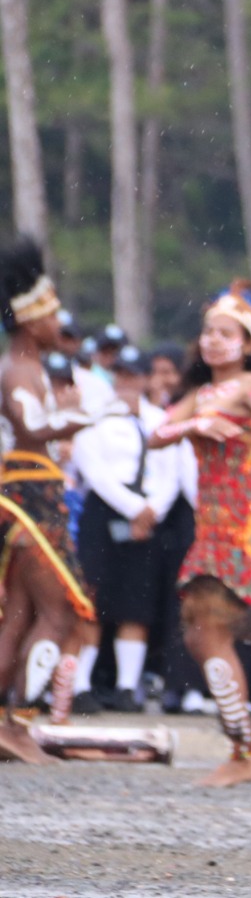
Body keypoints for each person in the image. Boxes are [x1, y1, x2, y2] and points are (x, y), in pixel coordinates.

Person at [149, 282, 251, 785]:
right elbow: (156, 433)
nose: (213, 341)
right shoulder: (200, 396)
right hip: (211, 530)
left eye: (227, 333)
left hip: (243, 527)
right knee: (204, 635)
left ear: (249, 344)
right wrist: (194, 425)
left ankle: (246, 749)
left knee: (211, 634)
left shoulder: (248, 385)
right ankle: (244, 747)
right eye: (208, 332)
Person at [0, 239, 97, 762]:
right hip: (27, 497)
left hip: (30, 491)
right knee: (57, 613)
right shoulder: (18, 368)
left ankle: (9, 723)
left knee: (20, 613)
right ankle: (17, 723)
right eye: (52, 311)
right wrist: (78, 416)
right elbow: (29, 426)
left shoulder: (29, 366)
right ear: (30, 319)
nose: (58, 321)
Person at [73, 345, 181, 712]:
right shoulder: (96, 417)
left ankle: (125, 686)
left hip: (149, 514)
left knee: (137, 602)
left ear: (147, 379)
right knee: (92, 597)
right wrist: (132, 506)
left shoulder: (161, 419)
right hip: (106, 512)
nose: (127, 383)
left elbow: (173, 469)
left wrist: (152, 509)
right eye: (121, 376)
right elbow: (93, 467)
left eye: (134, 376)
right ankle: (80, 686)